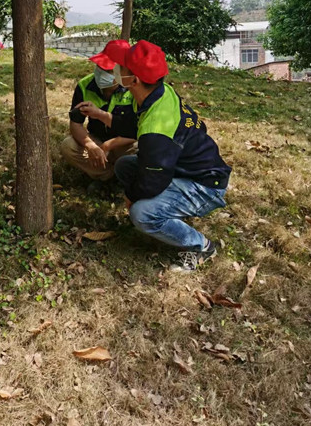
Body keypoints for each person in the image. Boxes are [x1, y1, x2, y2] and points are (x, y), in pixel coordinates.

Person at [98, 39, 232, 272]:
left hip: (206, 186)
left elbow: (153, 179)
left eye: (121, 67)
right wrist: (101, 115)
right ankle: (168, 211)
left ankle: (201, 246)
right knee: (125, 166)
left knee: (141, 214)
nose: (116, 70)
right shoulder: (158, 93)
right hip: (180, 167)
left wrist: (131, 196)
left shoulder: (157, 130)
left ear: (134, 80)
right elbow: (131, 124)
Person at [60, 40, 137, 191]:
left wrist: (110, 145)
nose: (101, 73)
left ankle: (126, 176)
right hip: (97, 139)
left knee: (143, 148)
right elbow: (75, 124)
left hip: (125, 144)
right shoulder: (84, 86)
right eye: (100, 66)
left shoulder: (134, 87)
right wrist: (91, 145)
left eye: (108, 70)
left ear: (122, 71)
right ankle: (107, 176)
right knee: (68, 146)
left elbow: (140, 130)